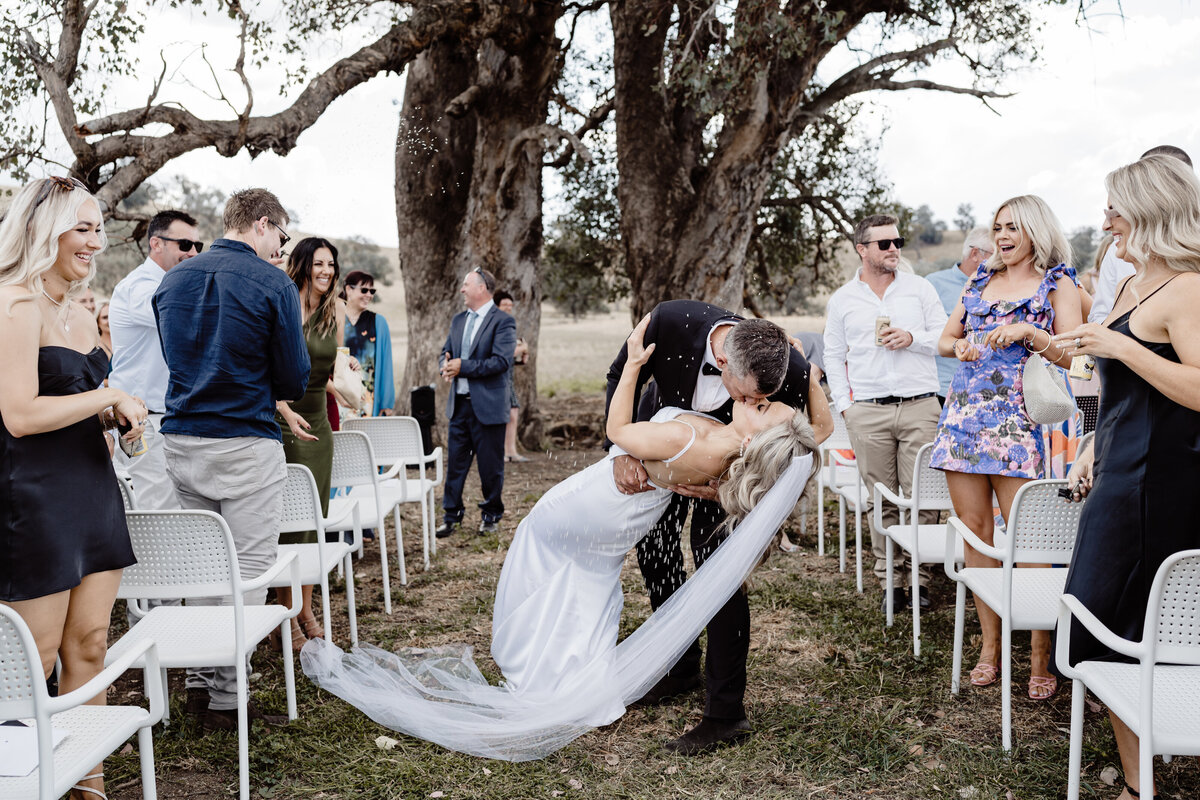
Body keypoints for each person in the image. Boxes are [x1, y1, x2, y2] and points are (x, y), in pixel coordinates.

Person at [302, 314, 818, 762]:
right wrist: (811, 378)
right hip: (633, 506)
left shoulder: (704, 436)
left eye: (758, 402)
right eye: (757, 396)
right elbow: (819, 430)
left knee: (541, 540)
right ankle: (583, 677)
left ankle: (552, 670)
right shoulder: (748, 437)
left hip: (604, 501)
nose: (758, 400)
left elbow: (618, 431)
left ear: (755, 433)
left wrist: (635, 365)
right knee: (589, 571)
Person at [607, 301, 833, 755]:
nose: (750, 404)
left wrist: (734, 485)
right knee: (656, 554)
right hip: (661, 447)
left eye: (757, 401)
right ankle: (678, 665)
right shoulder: (669, 322)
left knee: (722, 577)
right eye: (744, 395)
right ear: (725, 360)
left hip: (725, 473)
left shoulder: (788, 367)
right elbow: (620, 378)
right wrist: (622, 453)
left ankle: (724, 713)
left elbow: (807, 440)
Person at [1056, 155, 1200, 800]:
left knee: (1141, 627)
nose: (1105, 219)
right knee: (1097, 626)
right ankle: (1141, 777)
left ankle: (1145, 776)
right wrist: (1091, 442)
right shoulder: (1129, 284)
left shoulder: (1190, 289)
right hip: (1116, 472)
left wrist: (1123, 348)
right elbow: (1123, 392)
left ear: (1150, 211)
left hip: (1162, 485)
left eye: (1115, 207)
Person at [0, 176, 148, 800]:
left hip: (94, 488)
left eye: (97, 229)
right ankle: (28, 781)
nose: (94, 242)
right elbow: (20, 415)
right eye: (82, 229)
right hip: (35, 497)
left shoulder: (83, 312)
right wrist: (108, 393)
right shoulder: (14, 305)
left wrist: (121, 420)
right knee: (34, 653)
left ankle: (91, 785)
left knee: (89, 642)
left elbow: (85, 405)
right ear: (44, 230)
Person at [154, 187, 310, 731]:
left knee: (202, 566)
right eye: (282, 236)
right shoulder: (273, 283)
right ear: (263, 223)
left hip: (181, 436)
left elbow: (174, 360)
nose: (281, 248)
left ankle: (201, 686)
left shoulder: (172, 280)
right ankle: (224, 700)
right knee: (245, 570)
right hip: (244, 436)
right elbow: (292, 378)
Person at [930, 194, 1082, 700]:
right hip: (964, 419)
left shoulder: (1058, 281)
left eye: (1012, 226)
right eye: (997, 227)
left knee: (1029, 537)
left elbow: (1070, 354)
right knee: (976, 533)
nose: (1002, 235)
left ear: (1036, 229)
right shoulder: (979, 279)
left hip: (1017, 422)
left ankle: (1041, 655)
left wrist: (1029, 332)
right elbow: (945, 340)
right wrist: (964, 346)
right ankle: (990, 647)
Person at [823, 214, 948, 614]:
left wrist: (912, 338)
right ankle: (890, 581)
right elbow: (833, 355)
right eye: (884, 244)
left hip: (920, 405)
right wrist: (846, 407)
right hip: (868, 411)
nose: (894, 248)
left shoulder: (920, 289)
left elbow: (945, 339)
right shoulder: (843, 299)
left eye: (897, 241)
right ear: (862, 250)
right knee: (882, 500)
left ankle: (920, 579)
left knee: (924, 497)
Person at [275, 237, 355, 649]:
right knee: (286, 525)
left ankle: (305, 610)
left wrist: (346, 374)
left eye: (331, 265)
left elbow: (332, 366)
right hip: (282, 421)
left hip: (319, 425)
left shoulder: (336, 309)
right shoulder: (283, 303)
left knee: (312, 522)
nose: (326, 271)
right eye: (318, 264)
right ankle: (284, 617)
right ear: (303, 265)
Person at [109, 209, 201, 514]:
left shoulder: (175, 285)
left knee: (176, 506)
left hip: (171, 418)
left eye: (198, 247)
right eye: (185, 245)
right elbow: (179, 320)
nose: (193, 253)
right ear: (156, 244)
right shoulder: (140, 286)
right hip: (142, 421)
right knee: (155, 508)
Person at [436, 267, 517, 537]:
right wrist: (445, 366)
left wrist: (463, 367)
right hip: (459, 406)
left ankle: (491, 515)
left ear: (481, 288)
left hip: (489, 408)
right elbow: (445, 352)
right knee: (455, 464)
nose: (462, 289)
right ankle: (451, 516)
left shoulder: (503, 321)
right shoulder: (458, 320)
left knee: (490, 467)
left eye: (466, 284)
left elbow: (501, 362)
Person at [1088, 145, 1193, 325]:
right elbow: (1100, 319)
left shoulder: (1188, 284)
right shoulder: (1126, 282)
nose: (1105, 226)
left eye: (1115, 211)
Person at [925, 226, 994, 402]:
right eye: (995, 255)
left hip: (986, 391)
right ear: (975, 254)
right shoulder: (933, 284)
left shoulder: (997, 288)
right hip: (941, 389)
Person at [342, 270, 395, 417]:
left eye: (372, 291)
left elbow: (386, 364)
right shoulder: (334, 319)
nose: (369, 295)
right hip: (339, 397)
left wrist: (386, 403)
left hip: (368, 399)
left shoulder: (378, 322)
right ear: (348, 290)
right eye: (364, 290)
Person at [493, 289, 531, 463]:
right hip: (497, 378)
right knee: (503, 414)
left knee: (512, 413)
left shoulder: (508, 324)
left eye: (510, 305)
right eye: (504, 304)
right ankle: (502, 452)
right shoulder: (494, 325)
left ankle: (510, 451)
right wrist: (521, 349)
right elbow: (502, 354)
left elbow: (510, 357)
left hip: (508, 377)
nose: (508, 307)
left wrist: (522, 356)